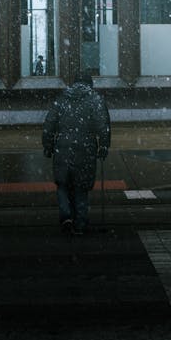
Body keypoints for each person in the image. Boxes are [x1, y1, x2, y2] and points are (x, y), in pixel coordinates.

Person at [42, 72, 111, 234]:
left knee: (63, 183)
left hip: (63, 145)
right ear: (90, 84)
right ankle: (80, 223)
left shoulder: (62, 99)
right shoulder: (95, 99)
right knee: (81, 186)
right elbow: (103, 125)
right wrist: (104, 145)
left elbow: (49, 122)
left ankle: (66, 216)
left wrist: (48, 144)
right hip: (85, 146)